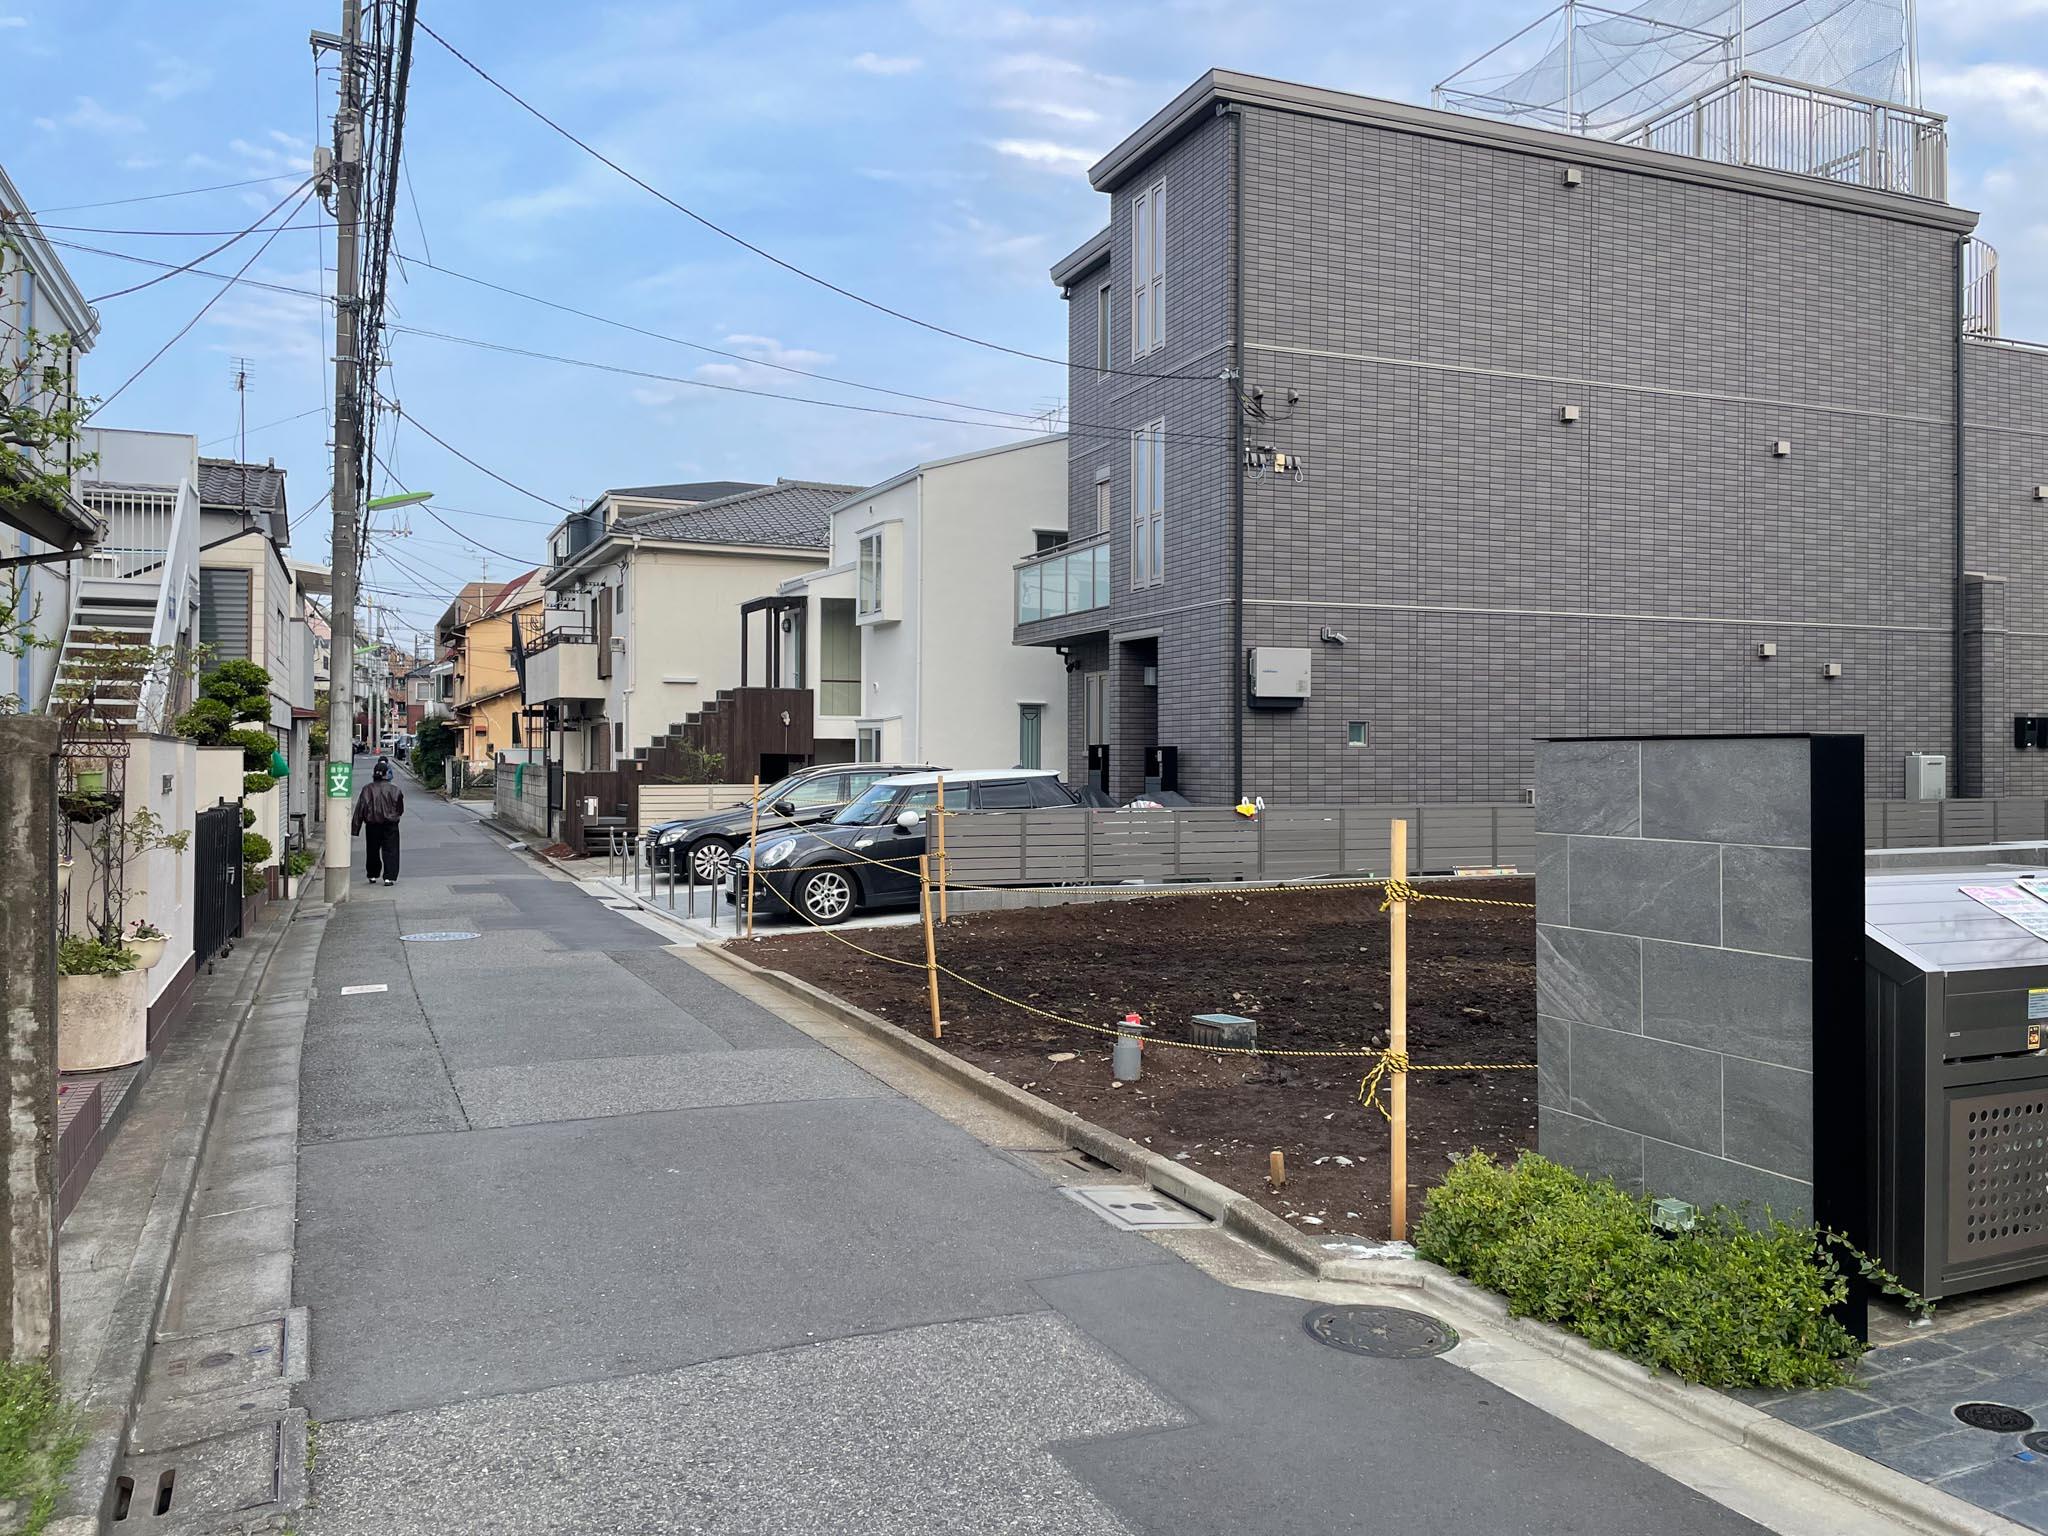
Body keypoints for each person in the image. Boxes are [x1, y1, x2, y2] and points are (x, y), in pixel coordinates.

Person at [352, 757, 406, 886]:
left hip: (372, 824)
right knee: (391, 850)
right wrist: (395, 816)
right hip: (390, 824)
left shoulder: (367, 789)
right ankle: (389, 877)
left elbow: (360, 808)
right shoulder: (395, 790)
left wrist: (355, 827)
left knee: (372, 850)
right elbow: (400, 809)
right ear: (387, 773)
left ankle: (372, 875)